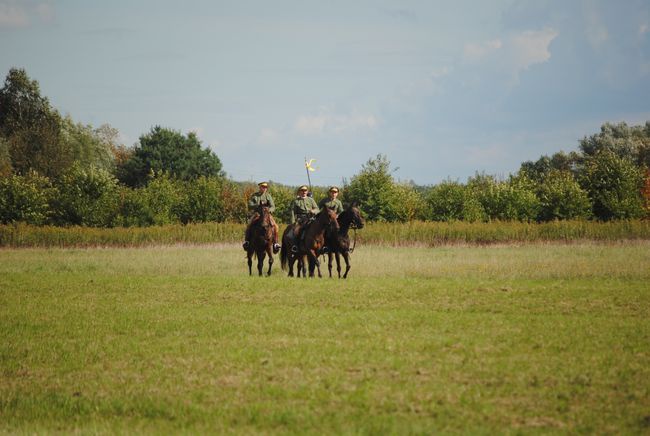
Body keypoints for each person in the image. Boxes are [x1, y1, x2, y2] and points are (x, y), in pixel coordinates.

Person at [243, 182, 281, 253]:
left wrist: (269, 210)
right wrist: (258, 205)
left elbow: (273, 206)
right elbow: (250, 205)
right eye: (263, 187)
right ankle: (247, 241)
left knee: (275, 226)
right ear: (260, 187)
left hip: (267, 214)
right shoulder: (255, 195)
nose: (264, 188)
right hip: (257, 214)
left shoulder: (268, 196)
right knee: (249, 225)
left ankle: (275, 243)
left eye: (265, 187)